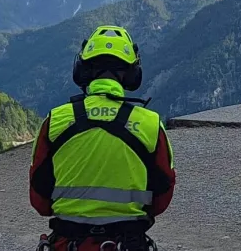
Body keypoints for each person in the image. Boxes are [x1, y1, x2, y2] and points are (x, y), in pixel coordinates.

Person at [30, 25, 176, 251]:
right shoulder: (151, 125)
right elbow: (162, 197)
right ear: (132, 73)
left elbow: (39, 199)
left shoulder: (55, 121)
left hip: (67, 244)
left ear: (82, 69)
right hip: (128, 244)